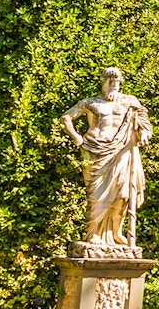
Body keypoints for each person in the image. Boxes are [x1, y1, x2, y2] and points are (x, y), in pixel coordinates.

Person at [60, 67, 152, 249]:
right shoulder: (90, 103)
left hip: (121, 151)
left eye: (117, 82)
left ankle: (116, 233)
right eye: (110, 81)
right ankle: (93, 234)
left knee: (122, 195)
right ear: (103, 82)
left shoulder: (130, 102)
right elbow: (66, 118)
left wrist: (143, 133)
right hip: (95, 150)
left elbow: (144, 121)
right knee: (96, 195)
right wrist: (77, 138)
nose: (114, 85)